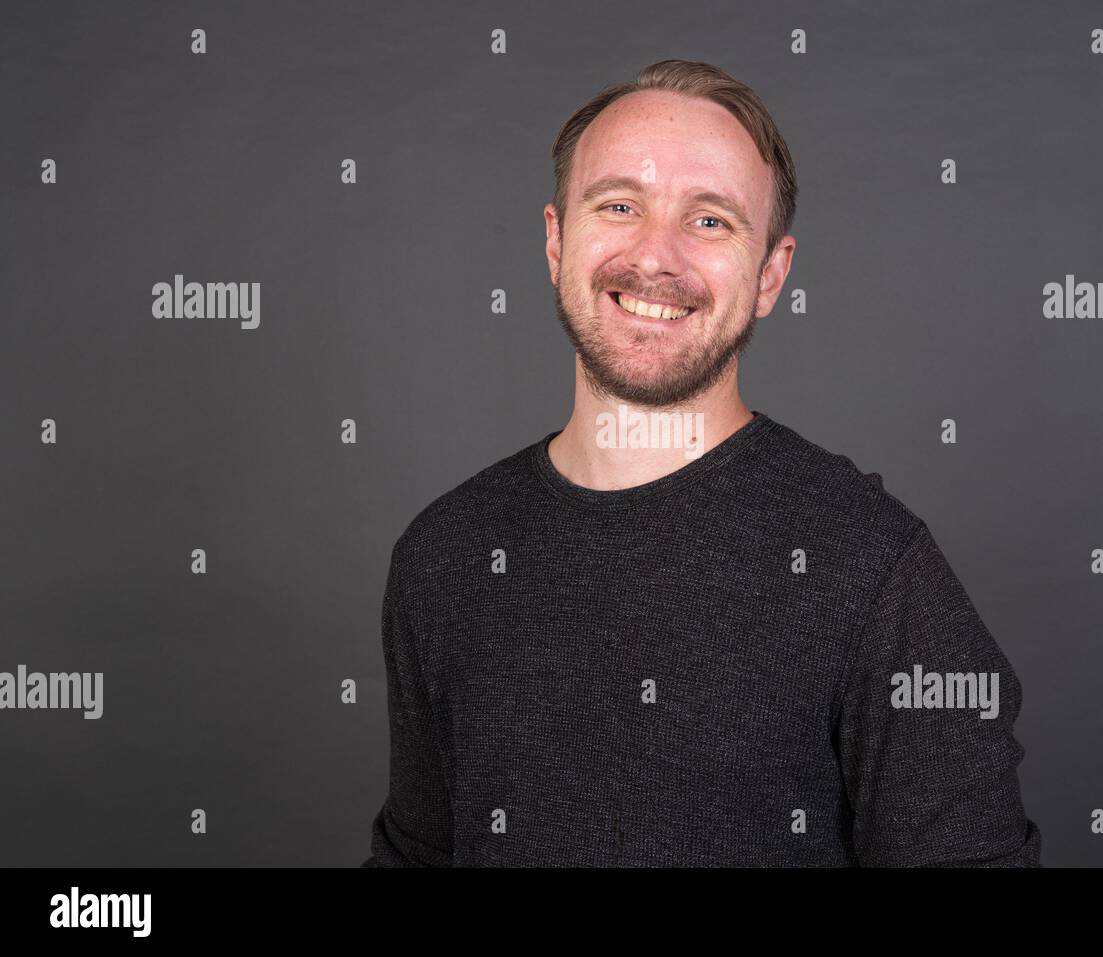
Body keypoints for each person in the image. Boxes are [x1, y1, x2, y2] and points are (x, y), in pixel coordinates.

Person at [362, 59, 1041, 867]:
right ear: (554, 240)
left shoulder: (874, 570)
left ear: (771, 276)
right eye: (619, 205)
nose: (656, 257)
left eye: (710, 220)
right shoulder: (444, 555)